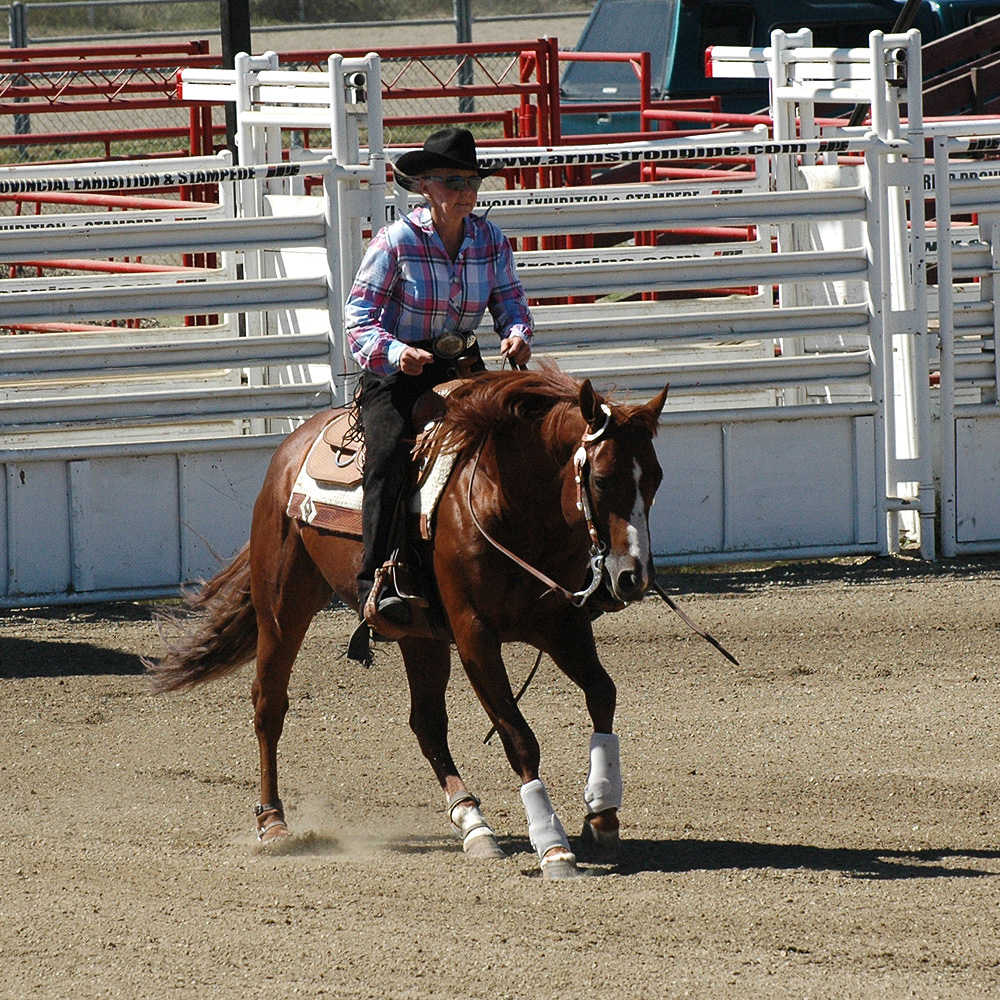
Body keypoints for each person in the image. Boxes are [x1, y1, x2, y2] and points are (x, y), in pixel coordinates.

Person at [344, 127, 533, 634]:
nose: (465, 192)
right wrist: (394, 351)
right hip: (398, 375)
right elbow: (359, 317)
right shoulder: (395, 242)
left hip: (463, 367)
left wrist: (517, 334)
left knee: (519, 436)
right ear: (424, 185)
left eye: (471, 182)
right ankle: (375, 581)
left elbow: (511, 302)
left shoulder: (490, 240)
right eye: (452, 182)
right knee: (388, 453)